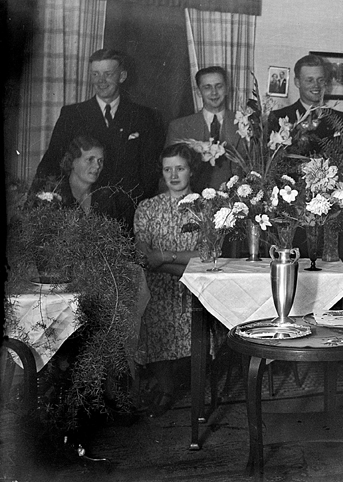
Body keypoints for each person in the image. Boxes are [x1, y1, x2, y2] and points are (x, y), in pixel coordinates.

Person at [34, 48, 164, 204]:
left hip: (128, 207)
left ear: (122, 76)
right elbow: (52, 162)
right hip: (82, 207)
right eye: (95, 74)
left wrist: (134, 204)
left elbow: (150, 171)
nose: (101, 80)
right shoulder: (72, 114)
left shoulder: (144, 116)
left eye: (108, 74)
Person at [133, 143, 202, 417]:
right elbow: (143, 253)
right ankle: (166, 388)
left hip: (197, 285)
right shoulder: (148, 208)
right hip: (157, 287)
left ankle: (195, 386)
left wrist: (164, 257)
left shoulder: (206, 207)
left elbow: (207, 255)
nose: (173, 176)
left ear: (191, 171)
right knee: (151, 308)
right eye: (167, 169)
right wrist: (170, 262)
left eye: (180, 168)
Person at [33, 135, 136, 233]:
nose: (97, 166)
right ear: (72, 161)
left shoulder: (106, 199)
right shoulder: (53, 195)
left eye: (100, 160)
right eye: (90, 159)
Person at [165, 66, 242, 191]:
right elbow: (169, 172)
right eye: (207, 87)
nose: (214, 92)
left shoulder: (244, 124)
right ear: (198, 92)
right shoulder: (178, 127)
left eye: (219, 86)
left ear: (227, 89)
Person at [268, 54, 343, 156]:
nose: (316, 85)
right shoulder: (278, 117)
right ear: (297, 82)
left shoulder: (340, 118)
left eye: (320, 80)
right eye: (309, 80)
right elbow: (269, 159)